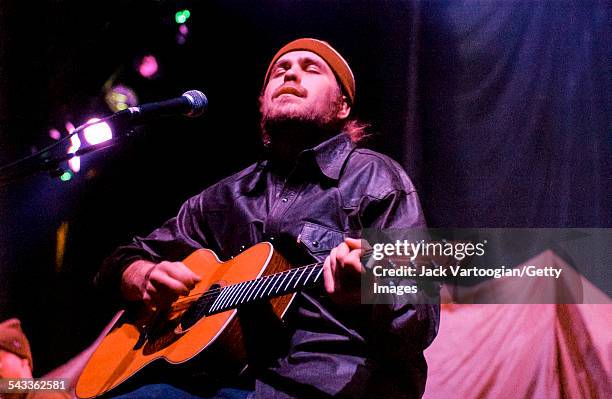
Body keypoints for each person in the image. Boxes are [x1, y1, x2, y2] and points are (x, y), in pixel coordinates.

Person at [95, 38, 439, 399]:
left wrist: (368, 293)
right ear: (262, 104)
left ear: (342, 105)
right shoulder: (225, 197)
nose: (290, 73)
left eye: (311, 68)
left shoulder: (375, 178)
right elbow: (119, 261)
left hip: (324, 387)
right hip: (215, 383)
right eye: (279, 70)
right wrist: (143, 276)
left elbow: (420, 319)